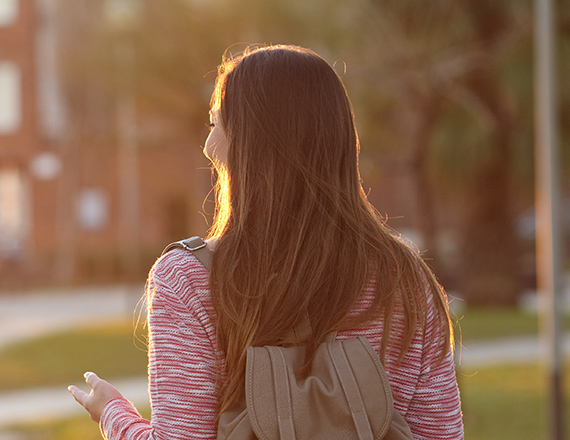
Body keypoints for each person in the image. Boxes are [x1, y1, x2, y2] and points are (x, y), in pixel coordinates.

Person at [69, 45, 463, 438]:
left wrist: (112, 415)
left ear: (244, 145)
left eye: (214, 124)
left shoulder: (187, 281)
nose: (208, 147)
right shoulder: (405, 280)